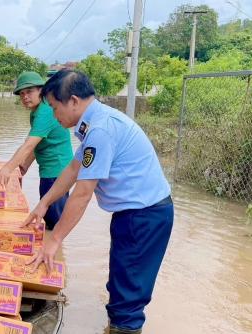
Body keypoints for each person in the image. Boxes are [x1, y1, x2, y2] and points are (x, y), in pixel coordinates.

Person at [22, 69, 173, 334]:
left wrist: (53, 242)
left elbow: (82, 194)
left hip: (144, 215)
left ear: (73, 101)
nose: (54, 115)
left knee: (128, 294)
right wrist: (43, 204)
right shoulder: (93, 124)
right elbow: (72, 169)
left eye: (55, 107)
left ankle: (124, 328)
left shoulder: (100, 129)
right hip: (133, 214)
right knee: (121, 283)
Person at [0, 71, 73, 230]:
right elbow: (38, 142)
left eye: (29, 91)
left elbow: (28, 145)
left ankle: (54, 251)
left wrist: (7, 169)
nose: (25, 97)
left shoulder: (45, 112)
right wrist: (26, 164)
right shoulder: (37, 112)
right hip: (49, 171)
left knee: (53, 220)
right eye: (22, 94)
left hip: (56, 171)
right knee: (48, 214)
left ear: (41, 91)